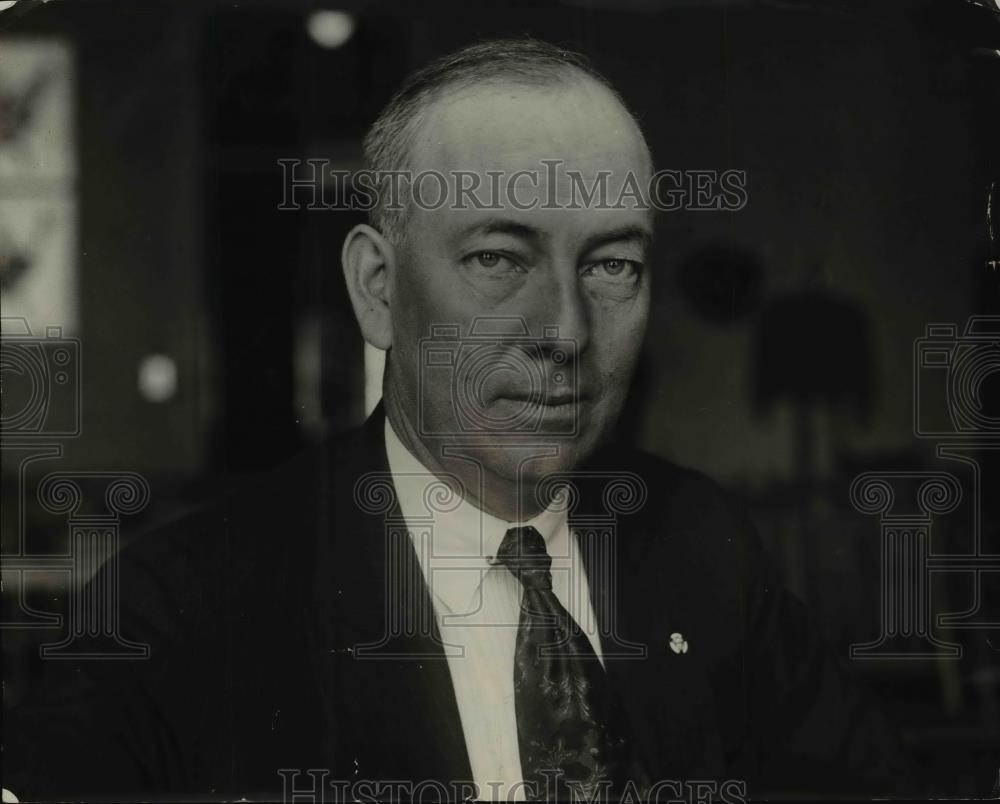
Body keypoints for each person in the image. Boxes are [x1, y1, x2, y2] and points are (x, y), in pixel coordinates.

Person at [4, 38, 914, 803]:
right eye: (496, 257)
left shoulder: (701, 544)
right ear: (378, 288)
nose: (564, 331)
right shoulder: (175, 613)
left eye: (612, 267)